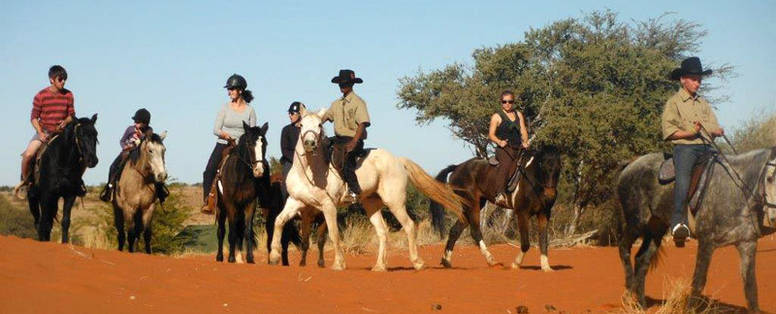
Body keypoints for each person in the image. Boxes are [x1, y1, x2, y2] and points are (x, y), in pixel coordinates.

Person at [661, 56, 723, 246]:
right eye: (694, 79)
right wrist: (690, 132)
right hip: (685, 149)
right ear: (683, 80)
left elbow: (713, 125)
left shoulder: (703, 103)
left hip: (707, 147)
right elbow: (669, 131)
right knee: (683, 182)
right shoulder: (674, 102)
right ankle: (678, 224)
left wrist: (717, 130)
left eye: (699, 80)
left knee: (725, 172)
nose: (697, 83)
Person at [14, 65, 75, 195]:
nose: (63, 82)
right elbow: (33, 118)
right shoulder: (41, 95)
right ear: (52, 80)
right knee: (28, 155)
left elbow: (72, 115)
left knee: (80, 152)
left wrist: (65, 122)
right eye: (60, 79)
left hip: (62, 134)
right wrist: (40, 133)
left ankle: (77, 182)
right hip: (45, 132)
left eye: (65, 79)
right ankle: (26, 181)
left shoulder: (68, 95)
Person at [201, 74, 257, 214]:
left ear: (240, 90)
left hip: (242, 147)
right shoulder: (224, 108)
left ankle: (262, 199)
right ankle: (208, 201)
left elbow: (252, 133)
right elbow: (216, 129)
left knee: (259, 168)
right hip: (224, 143)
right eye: (229, 89)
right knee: (209, 171)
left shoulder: (250, 110)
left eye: (231, 89)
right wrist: (225, 135)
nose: (229, 92)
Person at [99, 108, 168, 203]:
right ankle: (109, 188)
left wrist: (141, 136)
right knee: (113, 166)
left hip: (140, 154)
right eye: (135, 121)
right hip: (127, 152)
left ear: (145, 123)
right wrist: (124, 147)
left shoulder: (149, 131)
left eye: (138, 121)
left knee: (153, 169)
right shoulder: (130, 129)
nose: (135, 123)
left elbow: (147, 141)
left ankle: (160, 190)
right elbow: (122, 140)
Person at [322, 69, 370, 202]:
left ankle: (354, 190)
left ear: (352, 84)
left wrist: (354, 142)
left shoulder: (358, 102)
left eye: (345, 83)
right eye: (340, 83)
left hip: (353, 138)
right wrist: (312, 122)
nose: (342, 86)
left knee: (346, 157)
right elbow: (325, 117)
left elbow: (363, 123)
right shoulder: (335, 104)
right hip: (338, 139)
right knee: (321, 146)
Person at [485, 90, 529, 205]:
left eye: (510, 101)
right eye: (505, 102)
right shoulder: (497, 116)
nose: (507, 104)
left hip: (518, 147)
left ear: (513, 102)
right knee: (506, 165)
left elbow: (523, 130)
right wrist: (499, 142)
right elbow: (491, 135)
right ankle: (500, 193)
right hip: (504, 149)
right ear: (501, 102)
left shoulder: (518, 114)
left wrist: (525, 141)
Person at [279, 101, 303, 200]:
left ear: (300, 114)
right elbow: (284, 150)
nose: (290, 115)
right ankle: (284, 201)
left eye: (292, 113)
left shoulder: (307, 129)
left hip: (307, 160)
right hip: (291, 161)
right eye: (289, 113)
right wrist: (297, 160)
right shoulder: (286, 130)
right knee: (286, 181)